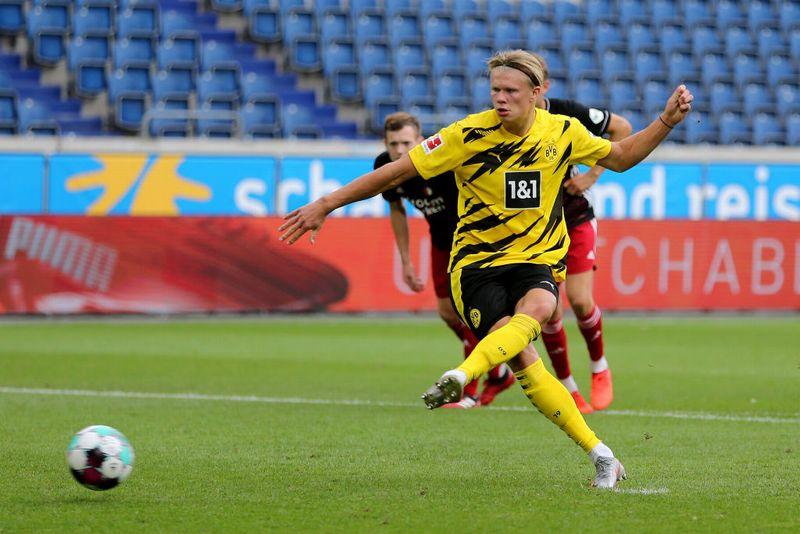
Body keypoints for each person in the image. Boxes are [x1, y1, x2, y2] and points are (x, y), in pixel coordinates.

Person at [279, 49, 692, 488]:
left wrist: (665, 121)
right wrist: (326, 203)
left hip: (534, 260)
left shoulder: (562, 131)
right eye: (495, 89)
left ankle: (476, 381)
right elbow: (395, 173)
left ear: (536, 93)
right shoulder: (466, 134)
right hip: (475, 266)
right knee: (521, 354)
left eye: (510, 91)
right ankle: (597, 450)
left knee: (538, 311)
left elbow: (622, 155)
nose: (500, 98)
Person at [377, 112, 515, 409]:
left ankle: (468, 390)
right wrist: (406, 261)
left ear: (421, 140)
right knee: (447, 312)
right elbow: (397, 210)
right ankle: (499, 373)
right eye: (393, 144)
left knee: (469, 314)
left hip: (473, 240)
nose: (400, 151)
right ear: (385, 144)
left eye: (406, 143)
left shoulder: (442, 161)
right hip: (442, 241)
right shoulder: (385, 167)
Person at [532, 55, 634, 414]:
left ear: (543, 88)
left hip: (574, 217)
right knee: (548, 311)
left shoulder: (567, 113)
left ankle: (599, 367)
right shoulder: (504, 124)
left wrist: (591, 175)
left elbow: (622, 129)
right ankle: (569, 388)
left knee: (578, 299)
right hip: (535, 229)